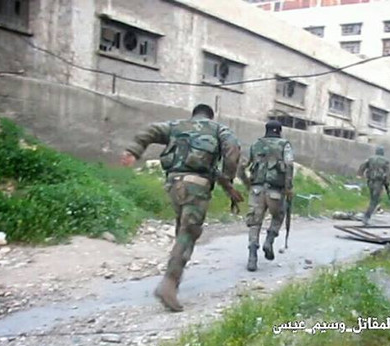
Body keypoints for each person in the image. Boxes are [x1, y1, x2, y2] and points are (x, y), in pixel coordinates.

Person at [120, 104, 241, 312]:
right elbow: (232, 150)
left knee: (183, 227)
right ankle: (169, 283)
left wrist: (133, 150)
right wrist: (228, 178)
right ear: (211, 116)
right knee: (189, 232)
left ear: (193, 114)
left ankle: (173, 277)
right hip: (197, 185)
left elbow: (150, 130)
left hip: (173, 185)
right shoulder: (218, 129)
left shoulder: (176, 126)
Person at [238, 120, 294, 271]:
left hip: (256, 190)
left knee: (254, 223)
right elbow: (289, 165)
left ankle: (252, 257)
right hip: (275, 191)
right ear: (280, 131)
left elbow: (241, 167)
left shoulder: (256, 145)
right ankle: (269, 240)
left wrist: (247, 184)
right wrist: (288, 188)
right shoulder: (284, 145)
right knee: (278, 215)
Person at [357, 145, 390, 224]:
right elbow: (388, 173)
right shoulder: (385, 161)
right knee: (375, 200)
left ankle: (367, 215)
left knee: (372, 198)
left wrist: (360, 174)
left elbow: (362, 166)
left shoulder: (370, 159)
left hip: (370, 181)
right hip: (378, 182)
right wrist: (387, 183)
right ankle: (366, 217)